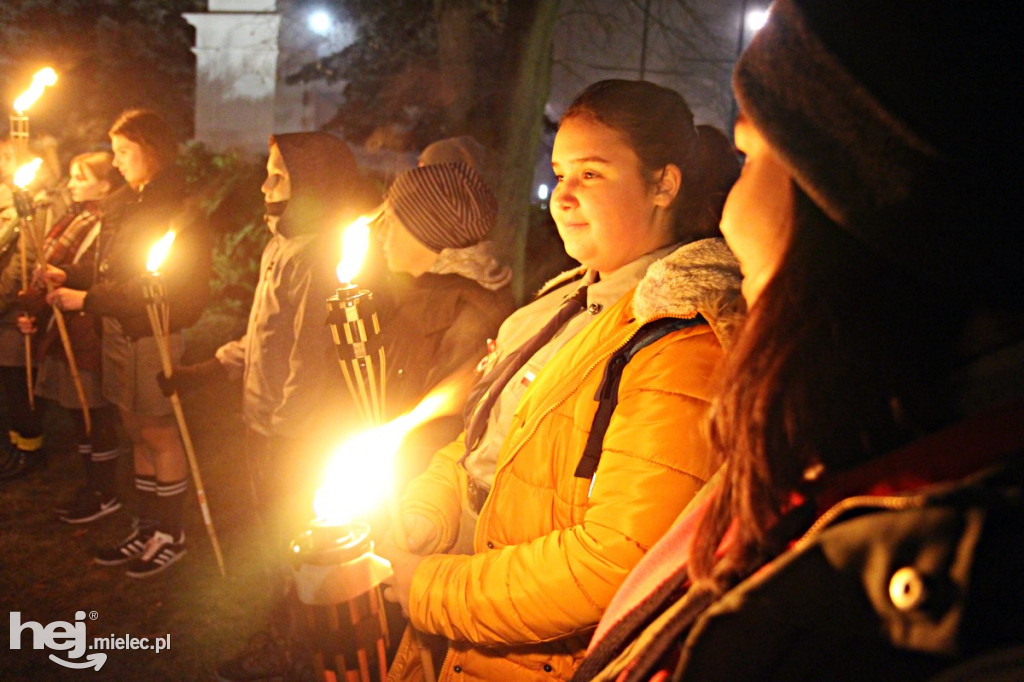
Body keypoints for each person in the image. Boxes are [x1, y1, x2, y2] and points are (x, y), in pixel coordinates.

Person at [576, 2, 1024, 681]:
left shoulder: (938, 614)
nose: (728, 211)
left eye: (750, 155)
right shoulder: (830, 446)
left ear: (855, 205)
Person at [377, 79, 744, 680]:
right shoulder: (558, 304)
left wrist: (433, 587)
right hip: (465, 635)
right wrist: (429, 513)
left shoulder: (680, 341)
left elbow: (616, 559)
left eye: (592, 174)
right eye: (559, 172)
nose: (563, 195)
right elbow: (481, 441)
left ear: (663, 184)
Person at [43, 109, 211, 578]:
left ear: (151, 150)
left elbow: (159, 284)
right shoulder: (125, 201)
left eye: (123, 152)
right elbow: (111, 272)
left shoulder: (175, 208)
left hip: (152, 331)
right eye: (114, 152)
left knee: (158, 431)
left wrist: (87, 298)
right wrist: (72, 276)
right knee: (136, 430)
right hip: (117, 326)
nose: (115, 163)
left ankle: (170, 534)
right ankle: (148, 524)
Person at [376, 161, 515, 476]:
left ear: (428, 230)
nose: (381, 233)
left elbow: (444, 430)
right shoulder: (422, 293)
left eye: (392, 221)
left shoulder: (471, 314)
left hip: (419, 494)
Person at [13, 151, 125, 520]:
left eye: (81, 177)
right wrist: (32, 307)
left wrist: (67, 280)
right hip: (62, 329)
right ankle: (92, 484)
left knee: (94, 411)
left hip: (85, 330)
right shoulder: (72, 218)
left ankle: (104, 489)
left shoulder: (106, 222)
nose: (71, 183)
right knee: (80, 415)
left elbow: (95, 273)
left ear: (105, 184)